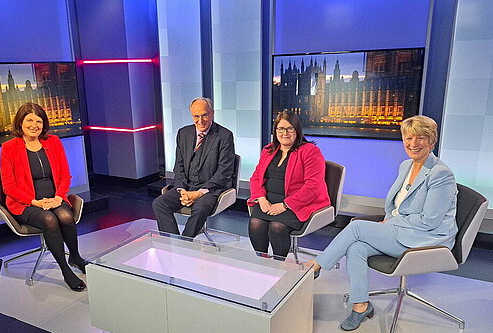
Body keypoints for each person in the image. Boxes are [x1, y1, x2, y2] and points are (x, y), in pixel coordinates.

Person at [308, 115, 458, 331]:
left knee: (357, 227)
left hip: (427, 237)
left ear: (432, 141)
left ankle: (317, 265)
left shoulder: (441, 174)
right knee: (357, 247)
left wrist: (391, 224)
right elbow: (396, 204)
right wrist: (391, 220)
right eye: (408, 137)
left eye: (421, 138)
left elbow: (429, 221)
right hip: (402, 228)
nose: (413, 143)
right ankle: (361, 306)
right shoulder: (406, 165)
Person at [0, 103, 87, 292]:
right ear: (20, 122)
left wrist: (58, 197)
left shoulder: (53, 141)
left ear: (44, 124)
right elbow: (8, 187)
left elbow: (65, 175)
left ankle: (75, 256)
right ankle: (65, 270)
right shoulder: (9, 148)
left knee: (65, 216)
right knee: (49, 220)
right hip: (26, 203)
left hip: (53, 198)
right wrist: (34, 202)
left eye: (38, 121)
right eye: (29, 120)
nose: (34, 125)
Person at [247, 111, 330, 258]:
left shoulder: (310, 151)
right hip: (268, 201)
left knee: (277, 227)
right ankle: (263, 262)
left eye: (289, 128)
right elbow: (255, 178)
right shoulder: (268, 150)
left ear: (297, 130)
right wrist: (261, 198)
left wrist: (285, 205)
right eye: (280, 129)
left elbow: (313, 186)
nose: (284, 133)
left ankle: (279, 265)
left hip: (299, 203)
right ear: (275, 131)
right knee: (255, 224)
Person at [152, 97, 235, 238]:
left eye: (204, 115)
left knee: (200, 207)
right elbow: (179, 166)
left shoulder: (224, 135)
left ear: (212, 113)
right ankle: (172, 243)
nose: (200, 121)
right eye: (196, 116)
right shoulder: (183, 133)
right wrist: (182, 190)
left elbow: (224, 172)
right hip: (185, 186)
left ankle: (185, 242)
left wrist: (198, 193)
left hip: (210, 189)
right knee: (159, 203)